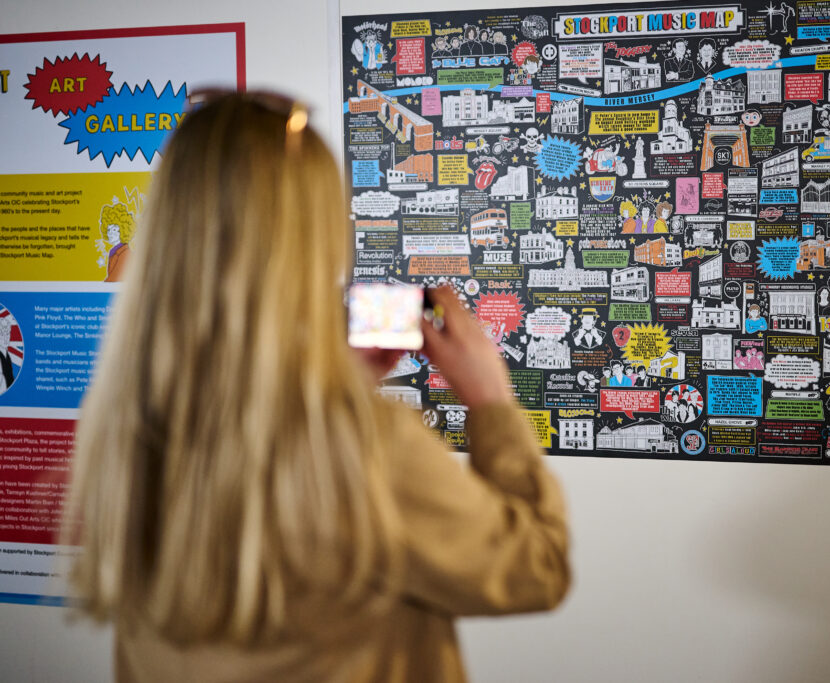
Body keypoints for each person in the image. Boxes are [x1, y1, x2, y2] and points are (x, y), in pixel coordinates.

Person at [64, 93, 570, 683]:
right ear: (313, 240)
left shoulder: (134, 429)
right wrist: (491, 402)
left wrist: (339, 381)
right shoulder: (360, 447)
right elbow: (538, 568)